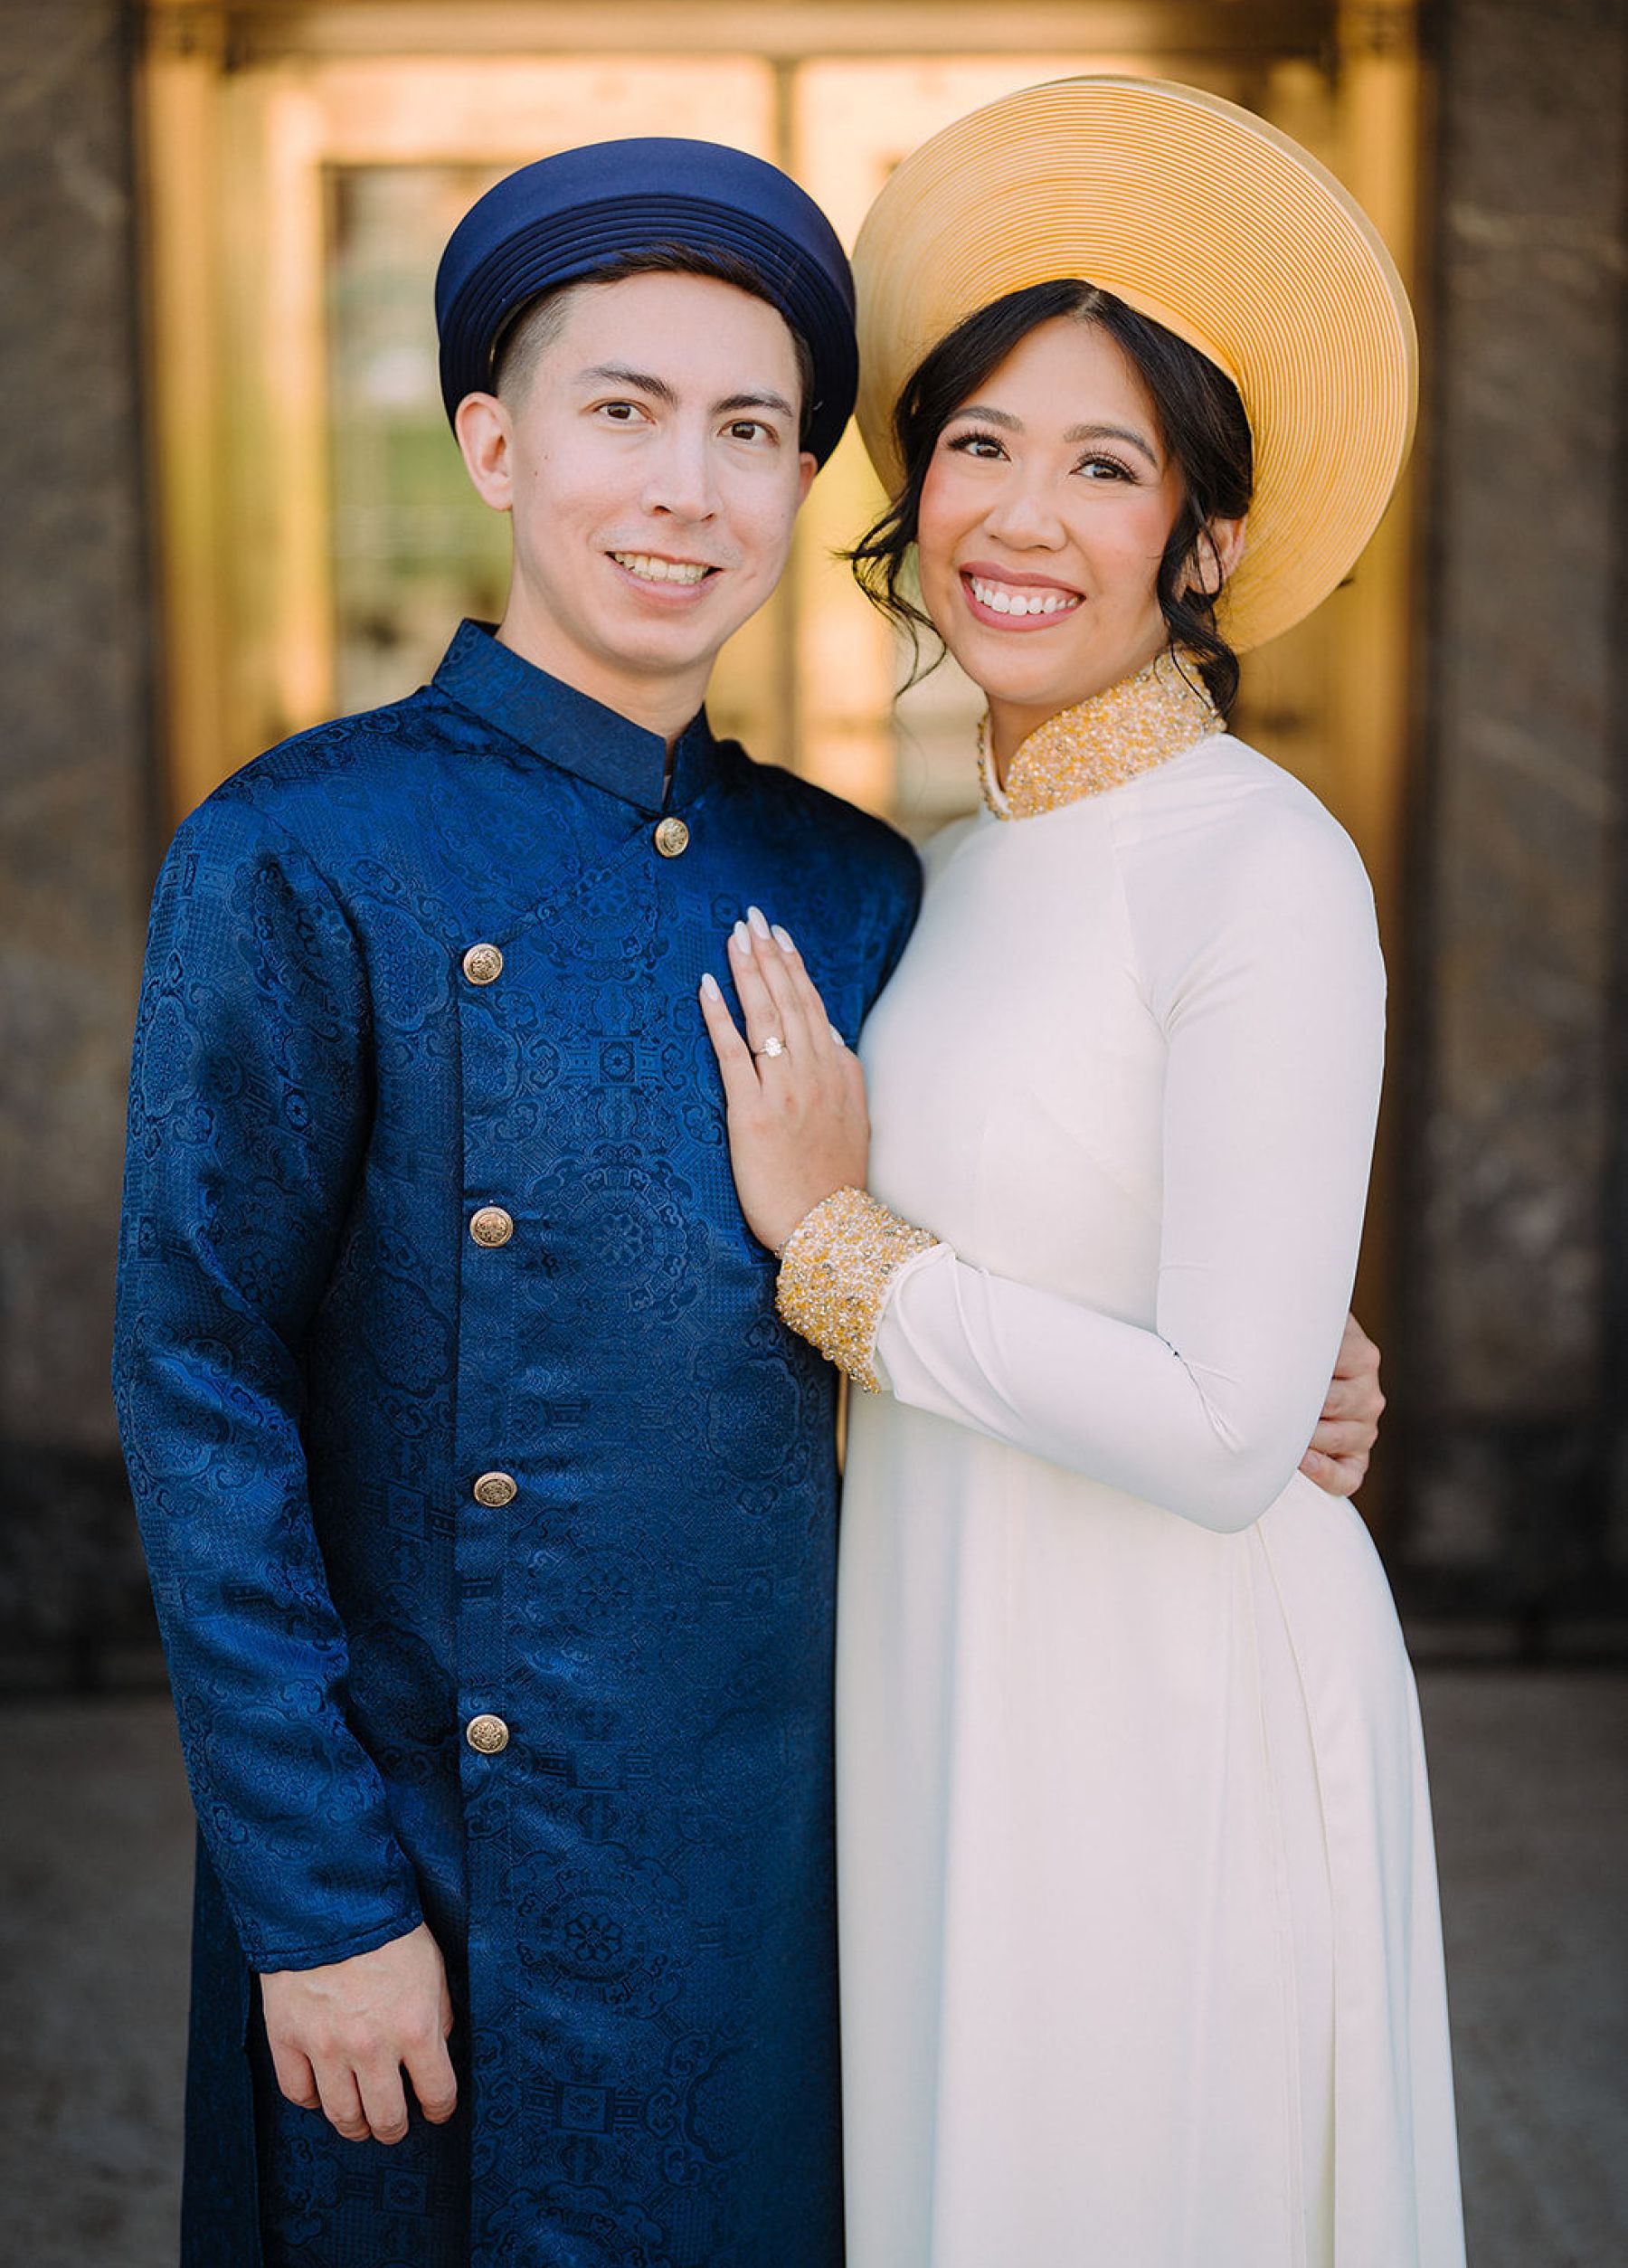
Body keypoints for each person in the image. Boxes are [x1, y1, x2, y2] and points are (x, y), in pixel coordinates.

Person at [115, 130, 1381, 2268]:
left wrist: (1284, 1359)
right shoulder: (298, 851)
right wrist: (316, 1901)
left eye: (752, 432)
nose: (683, 491)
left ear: (809, 485)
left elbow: (1018, 1196)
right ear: (494, 442)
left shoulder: (858, 882)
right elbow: (200, 1388)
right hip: (436, 1880)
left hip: (800, 1882)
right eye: (622, 414)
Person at [698, 79, 1464, 2266]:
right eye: (981, 445)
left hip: (1169, 1710)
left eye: (1106, 463)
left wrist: (845, 1260)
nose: (1019, 516)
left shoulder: (1259, 865)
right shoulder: (936, 873)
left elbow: (1232, 1440)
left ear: (1205, 541)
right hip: (957, 1685)